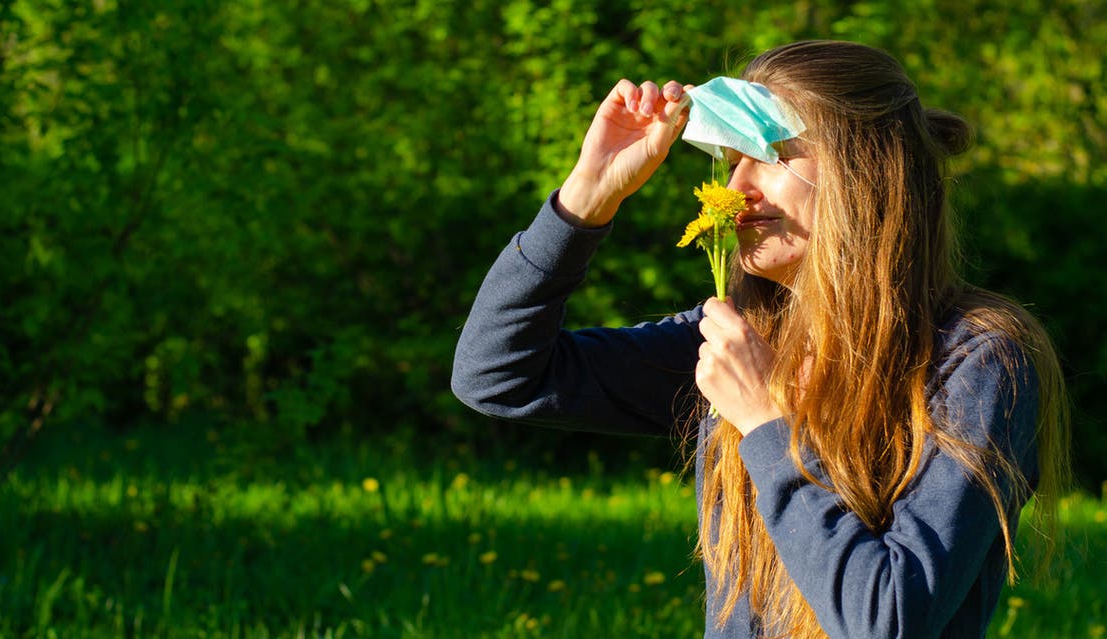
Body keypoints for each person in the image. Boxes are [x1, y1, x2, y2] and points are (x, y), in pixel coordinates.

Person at [451, 40, 1069, 639]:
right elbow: (496, 375)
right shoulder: (742, 337)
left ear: (866, 170)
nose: (737, 185)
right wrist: (586, 198)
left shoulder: (976, 359)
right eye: (731, 158)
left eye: (769, 154)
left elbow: (888, 619)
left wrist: (766, 419)